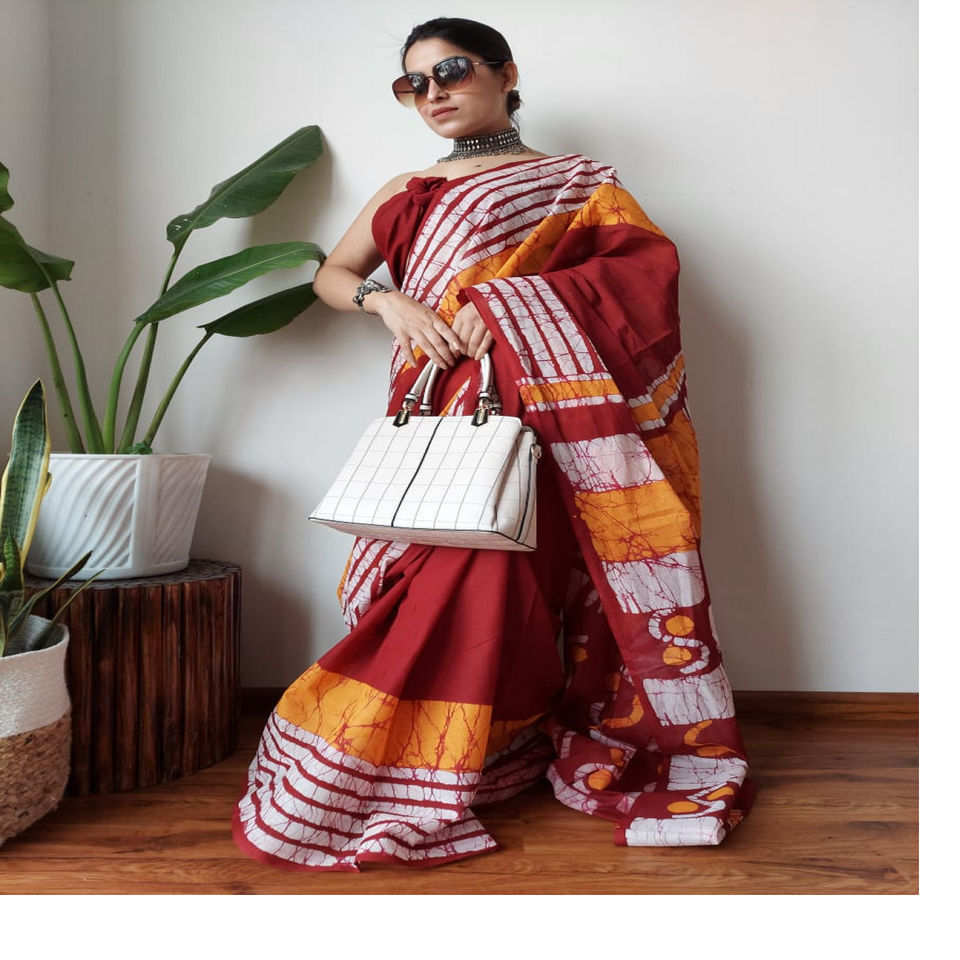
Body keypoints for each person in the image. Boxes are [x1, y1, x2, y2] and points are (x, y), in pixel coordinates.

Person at [233, 16, 753, 872]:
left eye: (452, 71)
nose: (432, 93)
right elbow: (333, 274)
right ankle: (407, 757)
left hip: (536, 419)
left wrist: (508, 304)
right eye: (413, 83)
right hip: (434, 413)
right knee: (428, 577)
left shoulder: (578, 184)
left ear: (506, 74)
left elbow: (642, 274)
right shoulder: (407, 188)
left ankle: (476, 749)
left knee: (506, 585)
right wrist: (387, 303)